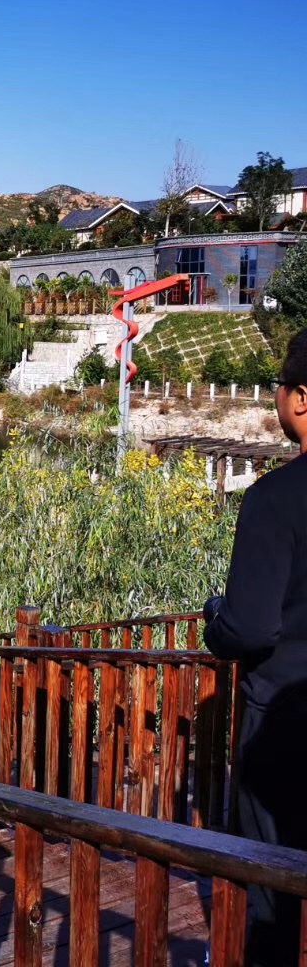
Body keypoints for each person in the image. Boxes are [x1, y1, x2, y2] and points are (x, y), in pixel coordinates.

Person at [205, 335, 307, 964]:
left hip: (287, 733)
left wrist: (217, 619)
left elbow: (250, 629)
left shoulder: (274, 500)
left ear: (302, 399)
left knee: (270, 893)